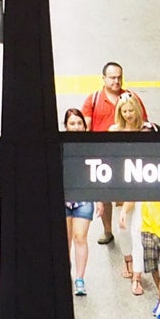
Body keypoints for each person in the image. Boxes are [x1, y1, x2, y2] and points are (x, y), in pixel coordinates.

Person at [82, 62, 127, 243]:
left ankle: (127, 230)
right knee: (104, 195)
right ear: (104, 78)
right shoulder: (93, 100)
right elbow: (86, 127)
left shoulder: (130, 98)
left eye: (119, 77)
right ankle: (108, 230)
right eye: (112, 77)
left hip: (125, 157)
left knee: (127, 197)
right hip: (102, 157)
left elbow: (142, 124)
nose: (116, 81)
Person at [110, 91, 149, 294]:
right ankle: (128, 258)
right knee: (122, 229)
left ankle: (137, 275)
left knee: (138, 231)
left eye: (131, 110)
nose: (128, 114)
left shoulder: (147, 131)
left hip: (141, 186)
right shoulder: (114, 131)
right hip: (121, 187)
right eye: (124, 111)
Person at [61, 108, 94, 297]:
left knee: (80, 237)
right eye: (72, 123)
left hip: (84, 197)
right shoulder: (60, 144)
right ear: (66, 126)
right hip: (64, 197)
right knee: (65, 241)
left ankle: (80, 279)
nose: (76, 127)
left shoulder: (90, 145)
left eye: (79, 123)